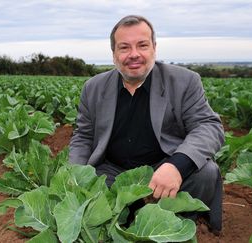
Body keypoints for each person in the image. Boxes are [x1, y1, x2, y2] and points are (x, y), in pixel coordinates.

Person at [69, 15, 225, 232]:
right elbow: (83, 136)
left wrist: (177, 165)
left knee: (205, 172)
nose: (134, 54)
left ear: (154, 48)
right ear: (114, 54)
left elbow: (208, 125)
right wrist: (75, 174)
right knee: (88, 191)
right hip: (113, 171)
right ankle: (127, 221)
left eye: (142, 45)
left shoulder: (185, 81)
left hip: (161, 168)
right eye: (124, 47)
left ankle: (179, 224)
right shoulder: (93, 87)